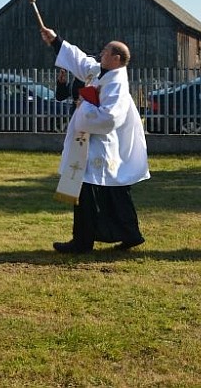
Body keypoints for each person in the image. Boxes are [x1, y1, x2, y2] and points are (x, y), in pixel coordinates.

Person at [41, 26, 149, 254]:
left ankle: (83, 241)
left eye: (105, 52)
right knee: (115, 191)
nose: (101, 54)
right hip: (92, 145)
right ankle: (130, 235)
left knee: (91, 193)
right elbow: (80, 61)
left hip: (101, 146)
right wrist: (55, 41)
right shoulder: (101, 72)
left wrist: (85, 106)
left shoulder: (116, 83)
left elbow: (110, 118)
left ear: (116, 58)